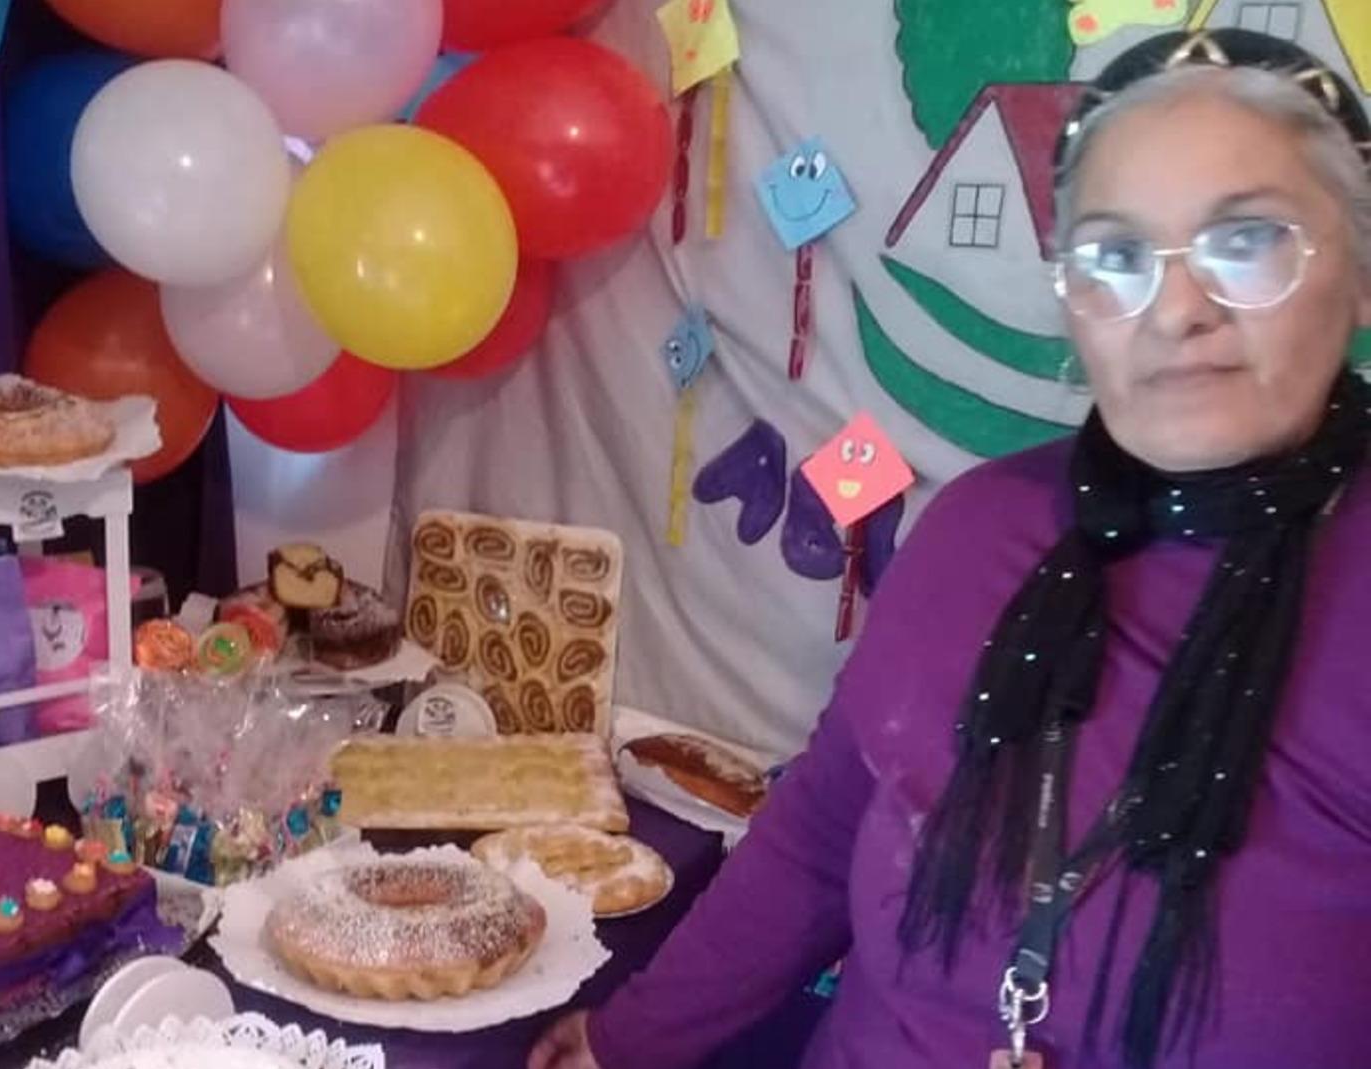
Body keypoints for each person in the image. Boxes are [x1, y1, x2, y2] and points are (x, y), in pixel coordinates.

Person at [530, 29, 1371, 1069]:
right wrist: (630, 1042)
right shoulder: (981, 527)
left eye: (1243, 241)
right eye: (1113, 256)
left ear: (1361, 275)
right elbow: (818, 838)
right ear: (1069, 299)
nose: (1177, 310)